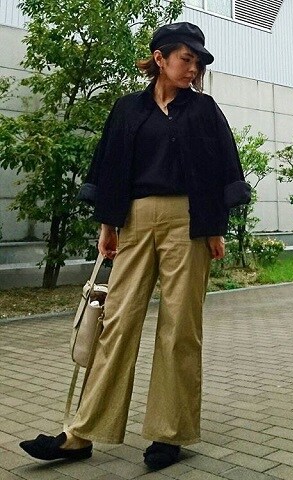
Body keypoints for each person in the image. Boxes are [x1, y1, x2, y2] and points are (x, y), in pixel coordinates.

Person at [19, 21, 250, 471]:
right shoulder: (128, 110)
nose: (194, 68)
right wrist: (108, 224)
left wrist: (214, 228)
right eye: (186, 59)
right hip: (135, 221)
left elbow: (223, 165)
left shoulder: (204, 110)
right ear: (160, 59)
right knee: (118, 321)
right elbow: (109, 165)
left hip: (188, 222)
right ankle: (81, 433)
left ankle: (170, 433)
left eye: (199, 62)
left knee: (180, 327)